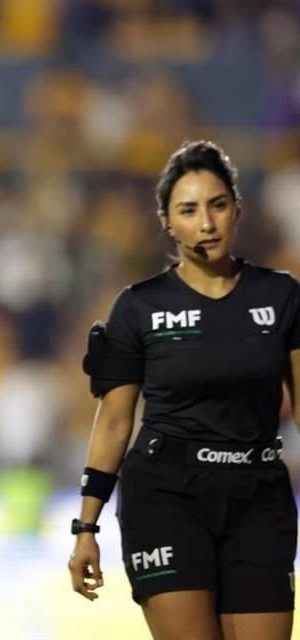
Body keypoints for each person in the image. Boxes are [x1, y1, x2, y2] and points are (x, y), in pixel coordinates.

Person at [70, 140, 298, 640]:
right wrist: (86, 527)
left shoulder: (281, 296)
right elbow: (113, 421)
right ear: (167, 222)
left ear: (238, 209)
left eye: (217, 205)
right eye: (189, 210)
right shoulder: (137, 307)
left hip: (260, 495)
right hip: (167, 495)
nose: (207, 223)